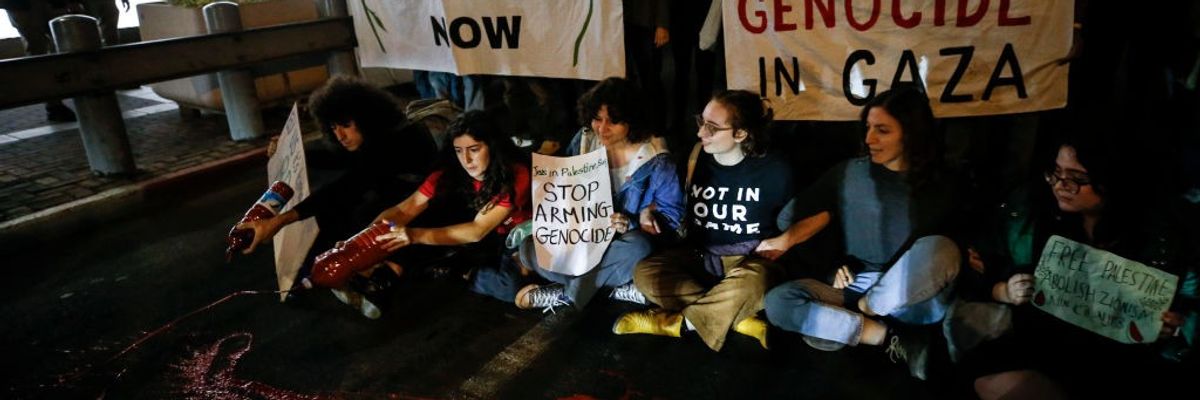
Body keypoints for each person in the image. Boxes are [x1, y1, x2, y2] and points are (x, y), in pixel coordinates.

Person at [957, 132, 1198, 399]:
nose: (1061, 186)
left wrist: (1176, 325)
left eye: (1077, 178)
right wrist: (1004, 290)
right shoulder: (1031, 215)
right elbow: (979, 268)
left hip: (1119, 363)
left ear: (1113, 180)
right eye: (1055, 173)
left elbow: (1189, 306)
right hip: (1045, 345)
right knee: (977, 377)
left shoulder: (1163, 235)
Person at [762, 87, 964, 380]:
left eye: (882, 130)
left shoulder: (945, 184)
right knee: (778, 303)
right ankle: (888, 338)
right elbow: (789, 218)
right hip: (859, 285)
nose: (869, 139)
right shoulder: (851, 173)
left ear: (911, 134)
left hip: (913, 300)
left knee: (940, 248)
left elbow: (951, 255)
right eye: (868, 128)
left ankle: (852, 321)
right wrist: (833, 264)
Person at [234, 76, 437, 313]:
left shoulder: (399, 138)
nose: (339, 135)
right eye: (333, 128)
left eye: (345, 125)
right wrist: (294, 152)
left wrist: (280, 220)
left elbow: (347, 186)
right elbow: (343, 160)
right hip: (396, 197)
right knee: (340, 212)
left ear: (367, 116)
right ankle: (316, 272)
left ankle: (375, 276)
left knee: (351, 212)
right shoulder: (376, 135)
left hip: (425, 208)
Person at [612, 89, 793, 351]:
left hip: (747, 261)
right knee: (645, 273)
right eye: (701, 122)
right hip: (697, 256)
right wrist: (648, 209)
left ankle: (675, 324)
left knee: (759, 281)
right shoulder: (695, 156)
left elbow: (818, 212)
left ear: (741, 134)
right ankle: (735, 317)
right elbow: (670, 197)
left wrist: (786, 240)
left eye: (712, 128)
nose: (700, 133)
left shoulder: (775, 169)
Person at [510, 77, 685, 312]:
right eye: (597, 119)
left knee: (640, 247)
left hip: (622, 245)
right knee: (529, 248)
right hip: (584, 241)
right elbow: (565, 185)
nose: (602, 128)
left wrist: (634, 222)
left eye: (613, 121)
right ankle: (610, 288)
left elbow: (672, 220)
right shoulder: (585, 140)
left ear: (632, 121)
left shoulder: (657, 160)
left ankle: (569, 293)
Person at [370, 110, 532, 307]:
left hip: (516, 232)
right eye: (459, 151)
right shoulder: (450, 172)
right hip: (481, 235)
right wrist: (363, 239)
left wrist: (412, 235)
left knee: (513, 284)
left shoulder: (516, 173)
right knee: (417, 221)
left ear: (492, 146)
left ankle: (460, 271)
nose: (466, 159)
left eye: (474, 149)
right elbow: (405, 209)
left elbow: (477, 230)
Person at [2, 0, 77, 121]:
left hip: (29, 5)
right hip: (24, 5)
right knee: (40, 50)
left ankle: (56, 103)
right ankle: (54, 103)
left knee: (51, 46)